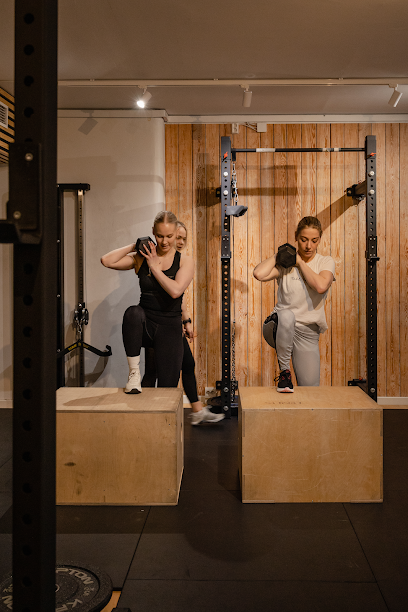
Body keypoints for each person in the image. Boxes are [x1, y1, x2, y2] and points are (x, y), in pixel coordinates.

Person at [101, 211, 194, 393]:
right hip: (146, 325)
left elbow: (176, 291)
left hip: (169, 327)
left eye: (169, 236)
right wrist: (134, 246)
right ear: (153, 232)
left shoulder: (185, 261)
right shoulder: (142, 257)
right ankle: (134, 373)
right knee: (132, 313)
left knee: (167, 389)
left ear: (176, 233)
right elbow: (107, 261)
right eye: (159, 236)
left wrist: (155, 268)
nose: (164, 241)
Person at [142, 221, 224, 425]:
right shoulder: (160, 261)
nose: (179, 242)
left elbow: (179, 295)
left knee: (187, 364)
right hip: (157, 322)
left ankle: (197, 410)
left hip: (171, 323)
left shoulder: (179, 262)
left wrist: (185, 320)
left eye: (183, 239)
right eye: (176, 237)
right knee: (152, 371)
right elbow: (171, 294)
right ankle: (146, 416)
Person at [253, 216, 335, 392]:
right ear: (296, 236)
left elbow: (321, 286)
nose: (308, 246)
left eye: (314, 240)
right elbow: (259, 274)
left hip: (308, 332)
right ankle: (284, 373)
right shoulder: (285, 264)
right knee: (287, 315)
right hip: (279, 327)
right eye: (304, 239)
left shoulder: (325, 262)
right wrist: (279, 254)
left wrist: (299, 263)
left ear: (319, 239)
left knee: (311, 390)